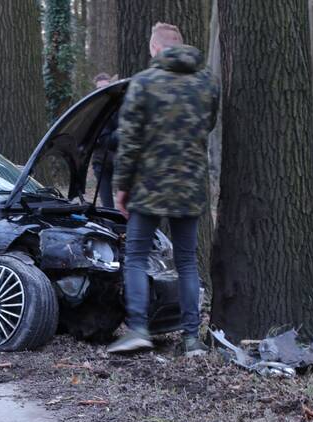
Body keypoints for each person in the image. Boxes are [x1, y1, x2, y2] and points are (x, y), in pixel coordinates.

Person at [106, 23, 218, 357]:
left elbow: (129, 140)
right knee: (186, 261)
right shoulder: (207, 83)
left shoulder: (144, 82)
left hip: (149, 185)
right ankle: (192, 338)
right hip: (190, 185)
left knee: (136, 257)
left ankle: (139, 328)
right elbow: (208, 124)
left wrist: (121, 186)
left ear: (155, 49)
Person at [90, 73, 119, 210]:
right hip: (100, 163)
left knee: (123, 202)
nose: (102, 90)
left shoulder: (120, 106)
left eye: (106, 87)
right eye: (99, 88)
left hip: (120, 160)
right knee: (107, 206)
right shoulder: (91, 110)